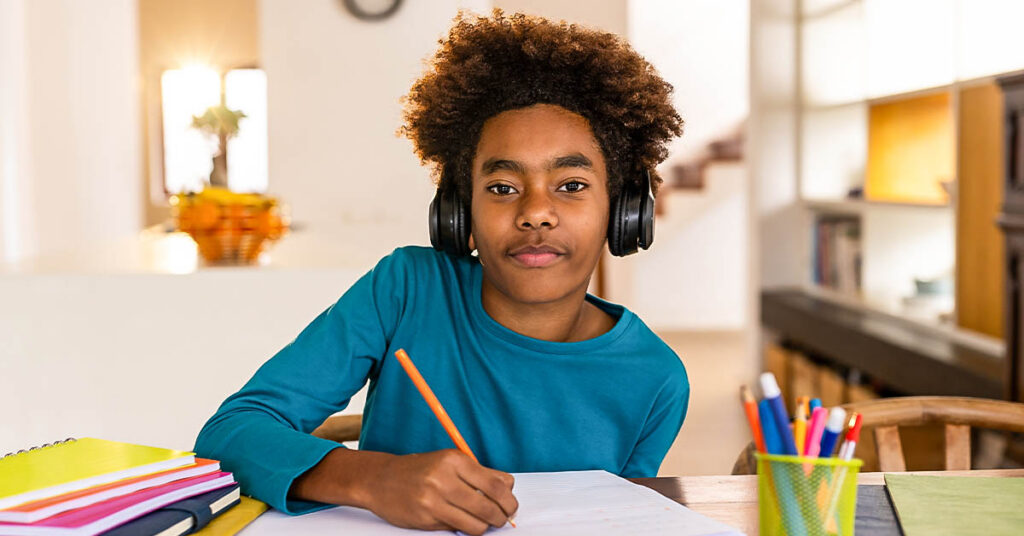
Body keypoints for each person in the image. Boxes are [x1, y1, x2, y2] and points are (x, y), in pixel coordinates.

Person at [195, 9, 687, 536]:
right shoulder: (406, 289)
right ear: (458, 213)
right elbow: (230, 433)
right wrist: (372, 478)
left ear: (623, 210)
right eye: (502, 188)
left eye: (571, 185)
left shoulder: (656, 380)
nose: (535, 212)